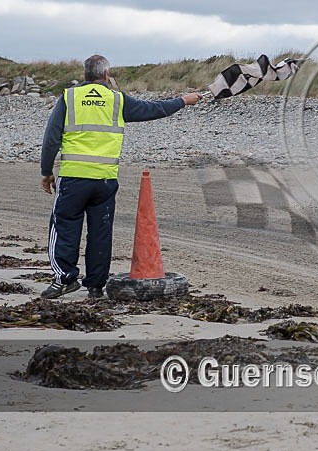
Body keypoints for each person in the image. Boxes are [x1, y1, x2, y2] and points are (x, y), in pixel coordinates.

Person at [39, 55, 202, 299]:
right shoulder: (117, 99)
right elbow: (154, 109)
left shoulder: (69, 97)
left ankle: (65, 279)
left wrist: (46, 172)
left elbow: (51, 138)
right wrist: (182, 101)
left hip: (73, 178)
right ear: (106, 75)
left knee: (64, 228)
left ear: (85, 75)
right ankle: (95, 285)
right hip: (105, 181)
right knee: (100, 234)